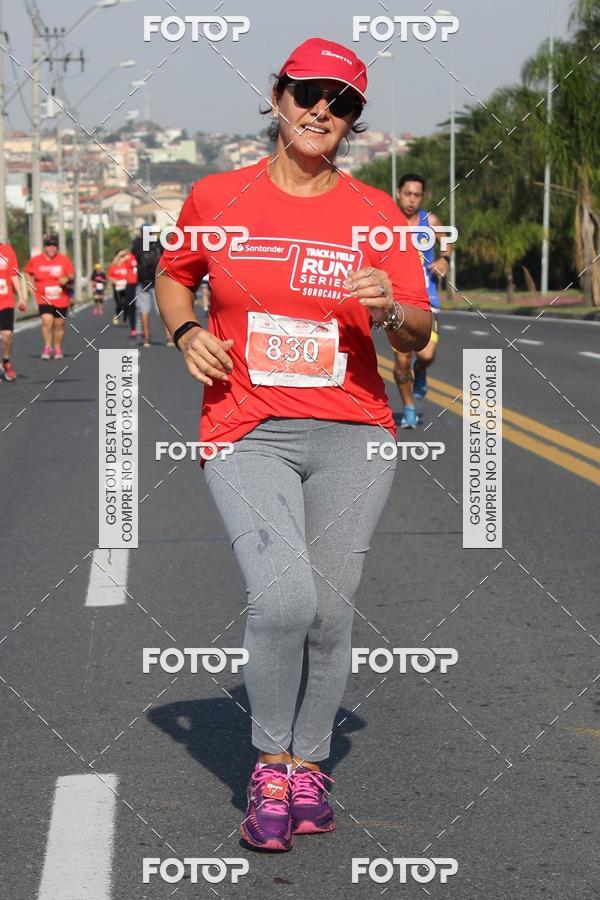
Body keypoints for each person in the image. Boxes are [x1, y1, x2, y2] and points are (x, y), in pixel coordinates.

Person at [156, 37, 431, 853]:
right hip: (246, 427)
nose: (322, 111)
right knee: (283, 599)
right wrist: (186, 331)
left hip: (355, 430)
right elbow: (176, 273)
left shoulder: (376, 214)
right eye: (308, 93)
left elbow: (419, 330)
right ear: (278, 97)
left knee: (330, 611)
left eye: (341, 103)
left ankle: (310, 765)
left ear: (353, 121)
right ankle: (270, 764)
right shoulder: (217, 195)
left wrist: (388, 309)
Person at [393, 173, 451, 427]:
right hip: (397, 303)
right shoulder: (385, 221)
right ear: (398, 193)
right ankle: (408, 408)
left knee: (426, 355)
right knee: (402, 360)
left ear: (423, 197)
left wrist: (444, 259)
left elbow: (446, 240)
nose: (411, 199)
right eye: (407, 194)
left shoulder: (430, 221)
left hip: (427, 299)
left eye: (417, 195)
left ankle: (421, 370)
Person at [24, 234, 75, 360]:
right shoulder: (36, 260)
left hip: (61, 297)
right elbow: (27, 272)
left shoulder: (64, 259)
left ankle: (57, 347)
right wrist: (30, 286)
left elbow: (71, 275)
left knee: (59, 324)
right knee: (47, 321)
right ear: (44, 247)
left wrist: (66, 278)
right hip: (43, 297)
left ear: (57, 247)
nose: (51, 248)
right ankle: (47, 347)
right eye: (48, 245)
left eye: (53, 245)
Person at [131, 227, 163, 347]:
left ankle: (146, 339)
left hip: (143, 281)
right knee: (162, 309)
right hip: (157, 280)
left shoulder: (137, 243)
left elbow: (133, 255)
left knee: (144, 310)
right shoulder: (158, 243)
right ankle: (170, 338)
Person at [0, 240, 26, 380]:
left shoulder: (7, 250)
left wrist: (21, 297)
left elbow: (13, 274)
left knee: (7, 334)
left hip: (5, 300)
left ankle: (6, 360)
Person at [107, 248, 137, 335]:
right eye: (121, 257)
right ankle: (117, 315)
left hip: (126, 286)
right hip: (117, 287)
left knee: (126, 303)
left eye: (123, 256)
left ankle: (125, 318)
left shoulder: (126, 263)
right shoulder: (114, 266)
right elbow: (109, 275)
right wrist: (114, 281)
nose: (122, 258)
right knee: (119, 303)